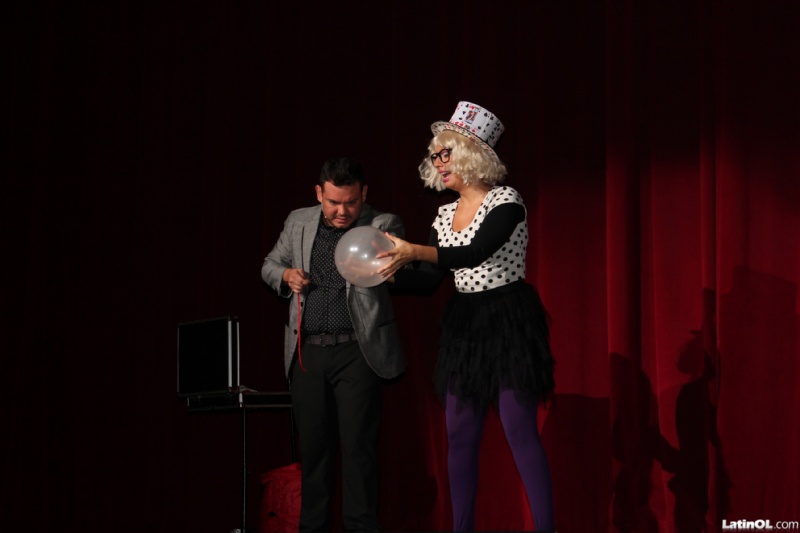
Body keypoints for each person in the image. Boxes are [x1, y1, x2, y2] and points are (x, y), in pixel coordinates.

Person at [378, 102, 556, 532]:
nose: (438, 163)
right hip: (465, 325)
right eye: (434, 155)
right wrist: (382, 276)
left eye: (446, 153)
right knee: (459, 434)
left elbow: (476, 252)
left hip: (508, 320)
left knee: (519, 429)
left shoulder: (506, 201)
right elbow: (430, 280)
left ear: (472, 156)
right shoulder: (443, 215)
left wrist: (414, 251)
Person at [261, 157, 406, 532]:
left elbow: (406, 270)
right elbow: (269, 264)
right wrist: (286, 275)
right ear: (319, 193)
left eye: (351, 202)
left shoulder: (382, 224)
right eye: (333, 202)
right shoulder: (298, 221)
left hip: (357, 351)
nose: (342, 211)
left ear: (364, 194)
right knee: (313, 451)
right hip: (307, 353)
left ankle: (361, 527)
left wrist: (392, 264)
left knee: (358, 449)